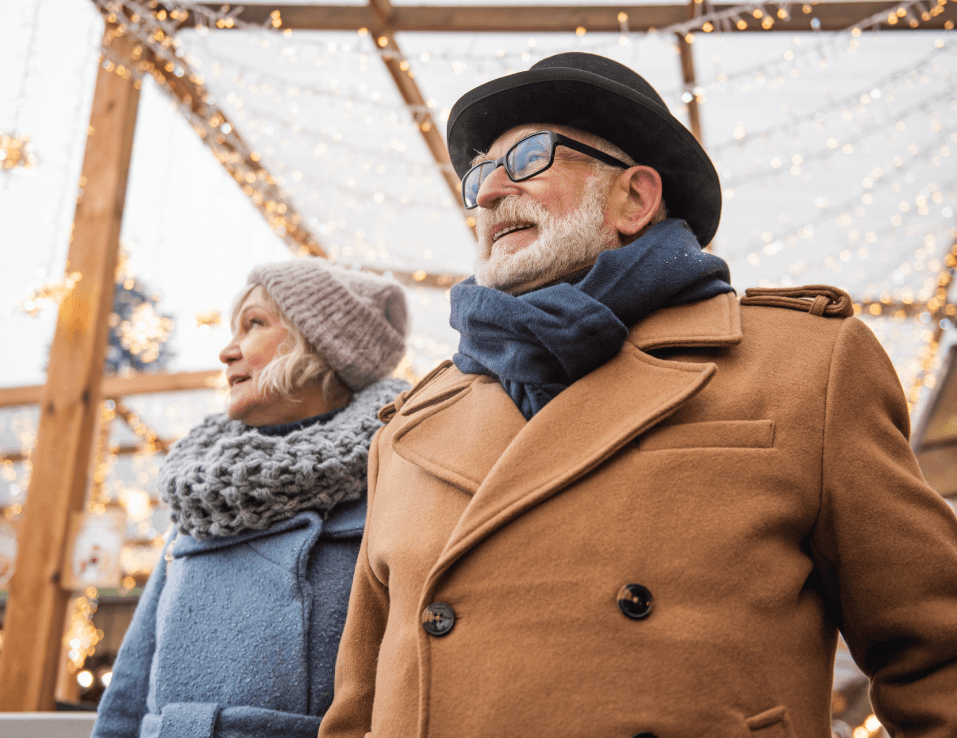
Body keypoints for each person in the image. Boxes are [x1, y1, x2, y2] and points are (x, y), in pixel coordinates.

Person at [319, 53, 957, 738]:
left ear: (634, 199)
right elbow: (357, 708)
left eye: (528, 157)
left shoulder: (805, 365)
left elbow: (936, 652)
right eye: (479, 173)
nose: (490, 191)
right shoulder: (412, 426)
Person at [92, 259, 409, 738]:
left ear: (321, 345)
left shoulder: (397, 476)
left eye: (254, 324)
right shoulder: (203, 491)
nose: (226, 352)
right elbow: (130, 689)